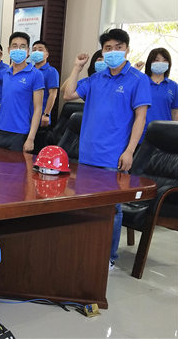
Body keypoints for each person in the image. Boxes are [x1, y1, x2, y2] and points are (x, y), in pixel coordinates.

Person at [61, 28, 151, 268]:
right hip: (87, 154)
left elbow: (140, 118)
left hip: (114, 156)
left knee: (112, 209)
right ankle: (86, 249)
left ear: (127, 50)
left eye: (118, 47)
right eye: (108, 48)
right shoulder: (96, 78)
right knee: (85, 205)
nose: (113, 52)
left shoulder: (138, 79)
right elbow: (68, 94)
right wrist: (77, 67)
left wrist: (130, 151)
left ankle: (108, 257)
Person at [0, 32, 44, 152]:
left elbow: (38, 108)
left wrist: (31, 138)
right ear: (9, 50)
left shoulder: (36, 74)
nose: (18, 49)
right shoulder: (6, 72)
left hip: (20, 132)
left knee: (15, 164)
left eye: (22, 46)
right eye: (14, 46)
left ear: (28, 51)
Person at [141, 47, 178, 139]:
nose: (161, 63)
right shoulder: (140, 83)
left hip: (166, 135)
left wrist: (175, 134)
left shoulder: (174, 86)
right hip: (142, 134)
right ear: (150, 62)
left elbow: (175, 112)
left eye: (165, 60)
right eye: (157, 60)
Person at [30, 40, 60, 127]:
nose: (36, 52)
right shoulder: (29, 70)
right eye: (34, 50)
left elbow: (53, 94)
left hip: (41, 116)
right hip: (26, 116)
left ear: (47, 54)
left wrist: (46, 114)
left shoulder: (51, 71)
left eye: (40, 50)